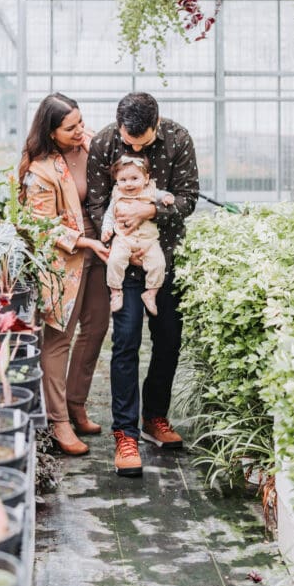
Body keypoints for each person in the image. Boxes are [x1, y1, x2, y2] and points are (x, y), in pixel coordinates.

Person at [87, 92, 199, 478]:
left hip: (164, 256)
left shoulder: (179, 138)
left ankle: (155, 418)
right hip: (122, 258)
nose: (133, 146)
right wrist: (121, 236)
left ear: (157, 123)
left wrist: (151, 209)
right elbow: (96, 203)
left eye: (142, 142)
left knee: (169, 339)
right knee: (126, 340)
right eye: (128, 140)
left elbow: (188, 199)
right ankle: (125, 433)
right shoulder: (103, 142)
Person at [19, 93, 110, 456]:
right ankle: (57, 421)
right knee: (59, 337)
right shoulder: (40, 169)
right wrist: (83, 242)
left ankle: (76, 404)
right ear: (51, 131)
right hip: (65, 260)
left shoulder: (91, 149)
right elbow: (38, 225)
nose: (79, 131)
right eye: (70, 127)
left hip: (100, 249)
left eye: (81, 123)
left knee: (98, 326)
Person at [101, 154, 174, 316]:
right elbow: (109, 215)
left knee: (159, 263)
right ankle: (115, 292)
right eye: (123, 180)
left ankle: (151, 293)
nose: (129, 184)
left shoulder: (151, 191)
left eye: (135, 178)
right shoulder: (117, 195)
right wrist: (106, 230)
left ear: (146, 178)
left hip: (149, 241)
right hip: (123, 239)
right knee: (114, 260)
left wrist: (168, 197)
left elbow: (163, 194)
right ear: (117, 181)